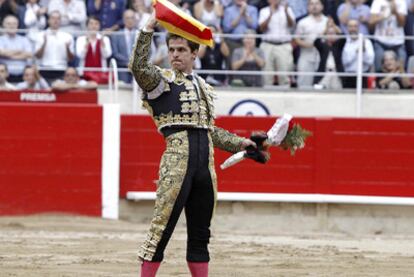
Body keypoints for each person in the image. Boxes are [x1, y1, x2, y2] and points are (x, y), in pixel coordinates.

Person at [129, 12, 260, 277]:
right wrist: (147, 30)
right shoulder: (161, 82)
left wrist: (240, 144)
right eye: (171, 50)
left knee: (201, 234)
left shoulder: (204, 87)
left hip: (204, 168)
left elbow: (210, 132)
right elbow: (139, 67)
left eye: (180, 50)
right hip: (177, 165)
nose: (174, 55)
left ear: (194, 53)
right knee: (161, 230)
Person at [258, 0, 295, 87]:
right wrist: (270, 15)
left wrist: (286, 12)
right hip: (268, 45)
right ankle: (266, 94)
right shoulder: (264, 11)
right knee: (267, 73)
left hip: (283, 45)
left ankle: (285, 95)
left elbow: (292, 25)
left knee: (284, 73)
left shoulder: (288, 10)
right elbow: (261, 29)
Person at [294, 0, 328, 88]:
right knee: (303, 84)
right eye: (311, 4)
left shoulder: (327, 21)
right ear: (308, 7)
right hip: (306, 56)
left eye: (317, 4)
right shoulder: (302, 22)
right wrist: (307, 45)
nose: (314, 6)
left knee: (322, 85)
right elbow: (296, 39)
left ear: (322, 6)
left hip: (323, 57)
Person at [34, 11, 75, 83]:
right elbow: (37, 56)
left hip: (61, 69)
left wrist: (67, 48)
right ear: (48, 20)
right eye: (53, 18)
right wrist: (44, 43)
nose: (55, 21)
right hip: (44, 69)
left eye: (58, 19)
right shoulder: (40, 35)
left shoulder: (68, 36)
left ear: (60, 21)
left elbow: (71, 59)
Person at [369, 0, 407, 72]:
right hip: (380, 42)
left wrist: (395, 12)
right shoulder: (377, 1)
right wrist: (382, 16)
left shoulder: (401, 1)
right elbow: (371, 23)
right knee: (379, 70)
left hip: (398, 43)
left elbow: (402, 23)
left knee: (402, 69)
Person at [76, 16, 112, 84]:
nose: (94, 26)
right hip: (84, 73)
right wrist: (87, 43)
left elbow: (107, 55)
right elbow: (80, 56)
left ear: (99, 26)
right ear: (87, 26)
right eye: (91, 24)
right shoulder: (81, 39)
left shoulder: (105, 39)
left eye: (96, 24)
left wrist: (102, 44)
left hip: (101, 73)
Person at [341, 19, 374, 88]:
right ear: (347, 28)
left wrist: (363, 51)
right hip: (348, 77)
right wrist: (356, 52)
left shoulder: (367, 42)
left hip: (363, 76)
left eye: (355, 26)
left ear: (359, 28)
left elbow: (370, 62)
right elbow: (344, 62)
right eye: (350, 26)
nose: (353, 29)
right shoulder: (343, 42)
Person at [0, 15, 33, 83]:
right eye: (9, 23)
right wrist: (20, 51)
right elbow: (2, 53)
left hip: (23, 76)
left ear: (18, 25)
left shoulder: (24, 39)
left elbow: (29, 54)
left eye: (14, 23)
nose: (12, 26)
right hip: (4, 77)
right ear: (3, 25)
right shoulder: (1, 39)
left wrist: (9, 55)